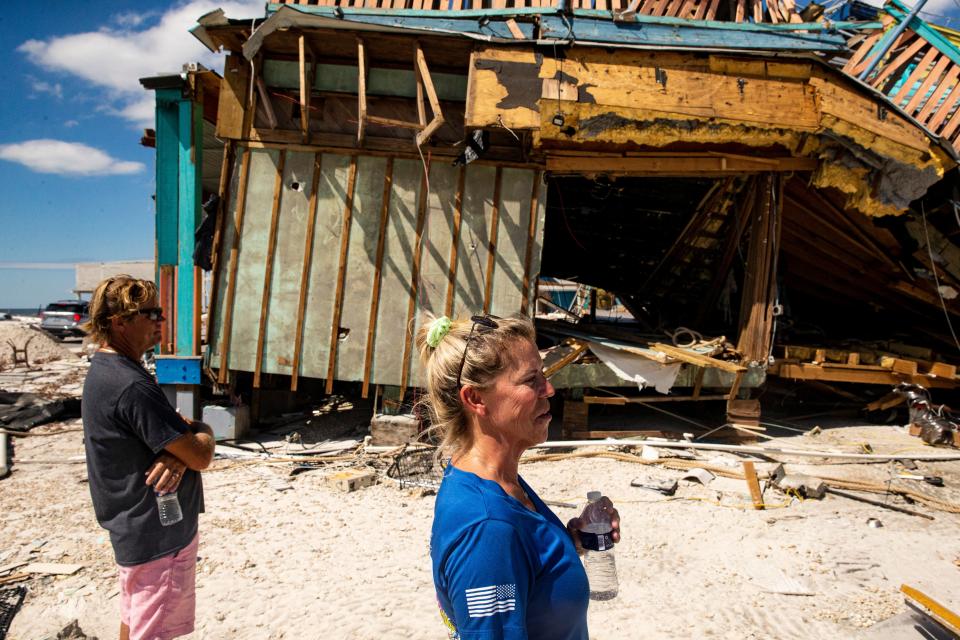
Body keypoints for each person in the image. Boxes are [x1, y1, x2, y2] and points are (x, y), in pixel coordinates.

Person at [416, 314, 621, 639]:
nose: (549, 389)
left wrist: (572, 543)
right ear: (476, 399)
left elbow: (523, 569)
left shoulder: (491, 481)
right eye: (530, 381)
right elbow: (495, 556)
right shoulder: (489, 530)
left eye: (544, 375)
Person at [81, 276, 215, 640]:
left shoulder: (107, 371)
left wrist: (178, 453)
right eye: (150, 313)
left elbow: (175, 445)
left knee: (135, 618)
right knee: (151, 629)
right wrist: (202, 432)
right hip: (158, 533)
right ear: (119, 321)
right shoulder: (131, 385)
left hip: (135, 527)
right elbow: (200, 454)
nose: (161, 320)